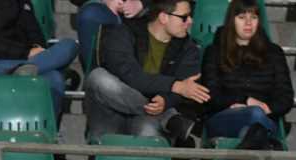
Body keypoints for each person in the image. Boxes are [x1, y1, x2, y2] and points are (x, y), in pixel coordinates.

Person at [0, 0, 80, 160]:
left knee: (68, 49)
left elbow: (36, 35)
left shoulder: (22, 2)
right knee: (53, 75)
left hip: (26, 61)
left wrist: (36, 49)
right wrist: (26, 53)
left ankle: (47, 138)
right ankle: (25, 71)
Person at [86, 0, 208, 144]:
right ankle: (168, 118)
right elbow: (130, 74)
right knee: (98, 78)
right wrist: (174, 86)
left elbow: (186, 87)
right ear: (163, 17)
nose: (190, 21)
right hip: (113, 111)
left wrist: (166, 100)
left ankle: (165, 118)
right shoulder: (124, 32)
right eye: (184, 17)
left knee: (147, 131)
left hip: (151, 114)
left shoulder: (188, 48)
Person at [200, 0, 294, 140]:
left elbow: (285, 96)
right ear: (232, 20)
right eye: (242, 17)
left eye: (253, 17)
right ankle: (264, 146)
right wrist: (245, 101)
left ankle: (250, 146)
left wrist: (268, 108)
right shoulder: (214, 51)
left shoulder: (274, 52)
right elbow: (210, 95)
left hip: (264, 118)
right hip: (223, 118)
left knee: (251, 127)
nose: (248, 23)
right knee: (254, 115)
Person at [72, 0, 145, 74]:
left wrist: (142, 3)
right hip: (106, 12)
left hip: (143, 13)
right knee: (90, 14)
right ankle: (94, 75)